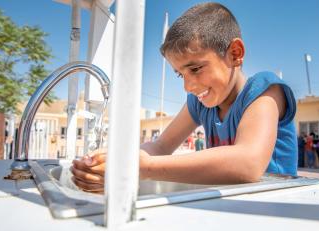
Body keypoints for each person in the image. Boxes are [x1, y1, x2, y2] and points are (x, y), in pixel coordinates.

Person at [71, 2, 298, 193]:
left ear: (235, 54)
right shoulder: (200, 104)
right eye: (180, 74)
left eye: (196, 69)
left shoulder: (265, 90)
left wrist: (145, 167)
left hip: (276, 207)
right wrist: (117, 159)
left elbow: (249, 163)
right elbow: (160, 146)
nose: (188, 86)